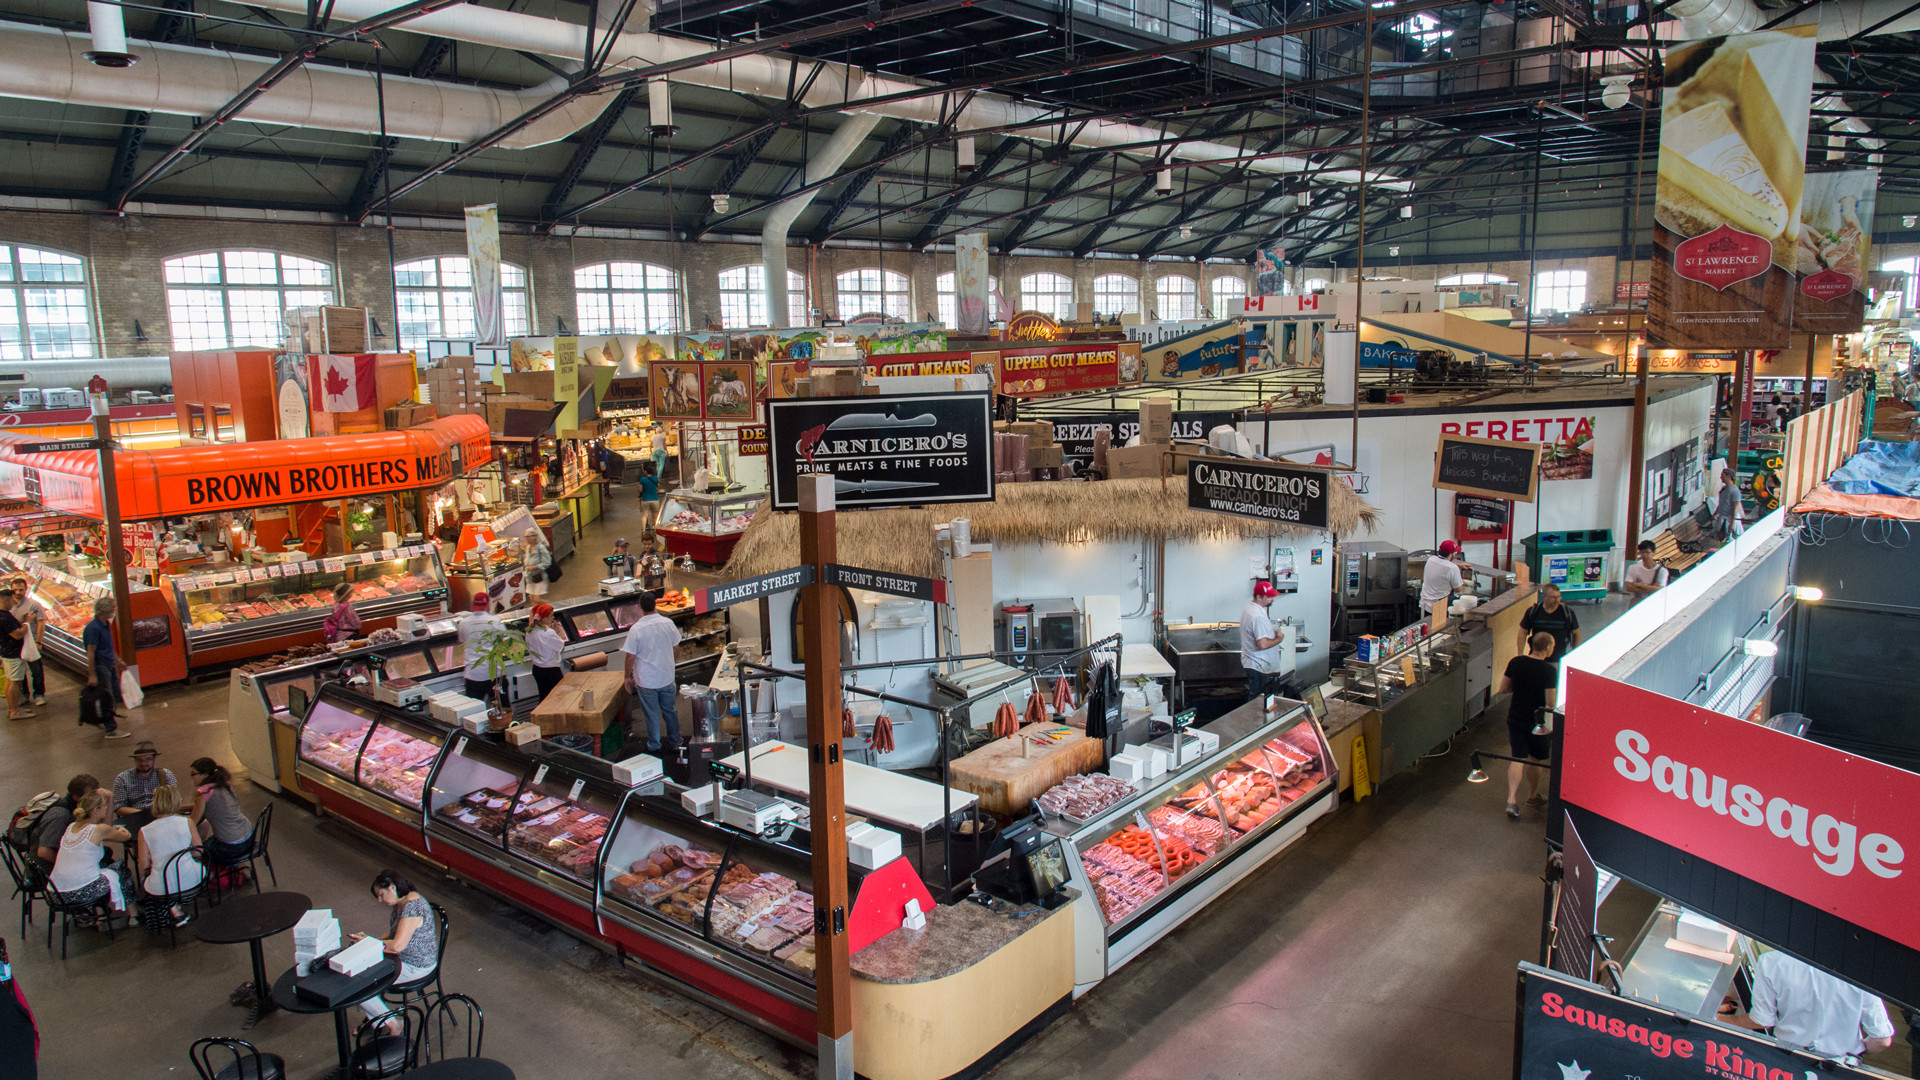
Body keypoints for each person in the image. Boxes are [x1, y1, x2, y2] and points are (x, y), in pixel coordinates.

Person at [1719, 950, 1894, 1060]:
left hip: (1788, 1059)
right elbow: (1882, 1040)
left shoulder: (1772, 962)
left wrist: (1719, 1019)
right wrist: (1857, 1051)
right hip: (1841, 1062)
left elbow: (1762, 1021)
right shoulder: (1861, 971)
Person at [347, 870, 440, 1033]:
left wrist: (370, 945)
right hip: (404, 959)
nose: (379, 900)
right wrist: (369, 941)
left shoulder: (412, 908)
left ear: (391, 887)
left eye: (381, 895)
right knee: (358, 971)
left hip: (415, 965)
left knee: (357, 983)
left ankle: (392, 1023)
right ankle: (377, 1019)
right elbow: (392, 935)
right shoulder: (402, 903)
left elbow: (397, 945)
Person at [1498, 632, 1558, 820]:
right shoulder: (1549, 671)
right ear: (1547, 647)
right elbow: (1550, 702)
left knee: (1518, 757)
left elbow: (1503, 688)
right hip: (1537, 722)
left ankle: (1512, 799)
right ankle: (1532, 796)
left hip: (1515, 716)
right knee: (1535, 759)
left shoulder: (1516, 662)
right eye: (1553, 646)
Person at [48, 790, 128, 919]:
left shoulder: (71, 826)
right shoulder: (99, 830)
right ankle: (134, 915)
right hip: (81, 892)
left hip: (56, 894)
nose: (107, 807)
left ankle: (100, 914)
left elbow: (104, 828)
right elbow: (125, 836)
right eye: (104, 806)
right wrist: (121, 829)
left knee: (102, 863)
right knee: (120, 868)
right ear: (96, 810)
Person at [620, 591, 682, 754]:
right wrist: (671, 663)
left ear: (640, 607)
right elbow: (676, 646)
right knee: (670, 711)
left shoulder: (636, 629)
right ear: (655, 604)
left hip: (646, 681)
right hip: (667, 677)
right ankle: (676, 741)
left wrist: (627, 676)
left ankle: (655, 745)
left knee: (651, 714)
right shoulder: (667, 623)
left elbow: (630, 657)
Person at [136, 784, 201, 927]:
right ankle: (175, 910)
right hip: (193, 882)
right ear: (177, 800)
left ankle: (172, 910)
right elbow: (198, 851)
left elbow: (144, 865)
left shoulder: (144, 831)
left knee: (152, 881)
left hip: (162, 889)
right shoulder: (187, 822)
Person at [187, 758, 253, 865]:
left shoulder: (203, 792)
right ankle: (240, 866)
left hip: (231, 847)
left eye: (193, 774)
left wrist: (175, 817)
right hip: (248, 837)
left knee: (197, 851)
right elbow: (208, 806)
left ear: (204, 775)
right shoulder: (223, 783)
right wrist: (179, 807)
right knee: (209, 841)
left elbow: (192, 822)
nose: (191, 777)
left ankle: (205, 875)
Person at [31, 774, 100, 872]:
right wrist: (71, 865)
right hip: (47, 870)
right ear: (76, 797)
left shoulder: (78, 809)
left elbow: (103, 830)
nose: (95, 799)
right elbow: (44, 852)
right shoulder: (60, 815)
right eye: (90, 795)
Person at [83, 596, 129, 739]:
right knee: (106, 697)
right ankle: (111, 729)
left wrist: (118, 660)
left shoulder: (106, 624)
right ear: (106, 610)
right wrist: (92, 674)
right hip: (101, 666)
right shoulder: (93, 628)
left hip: (109, 664)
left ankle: (103, 719)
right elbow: (91, 651)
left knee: (114, 694)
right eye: (113, 608)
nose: (114, 611)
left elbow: (109, 646)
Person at [1239, 581, 1293, 701]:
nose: (1272, 599)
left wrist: (1272, 633)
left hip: (1257, 665)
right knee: (1259, 703)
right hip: (1259, 666)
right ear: (1259, 597)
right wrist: (1279, 639)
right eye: (1269, 597)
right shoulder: (1257, 616)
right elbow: (1262, 644)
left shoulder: (1250, 609)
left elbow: (1259, 633)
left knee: (1259, 701)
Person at [111, 741, 176, 833]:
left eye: (148, 759)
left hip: (161, 818)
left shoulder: (166, 775)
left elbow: (173, 802)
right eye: (139, 760)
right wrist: (143, 815)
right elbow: (119, 808)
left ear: (155, 758)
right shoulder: (122, 778)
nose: (143, 763)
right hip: (135, 818)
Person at [458, 594, 507, 702]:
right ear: (488, 605)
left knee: (473, 711)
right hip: (494, 673)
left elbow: (462, 640)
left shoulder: (463, 623)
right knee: (502, 711)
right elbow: (503, 642)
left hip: (473, 674)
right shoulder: (495, 621)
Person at [1519, 584, 1581, 663]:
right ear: (1544, 596)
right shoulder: (1533, 612)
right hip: (1536, 658)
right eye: (1554, 597)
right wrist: (1520, 653)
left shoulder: (1567, 613)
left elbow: (1576, 633)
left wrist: (1574, 654)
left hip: (1558, 659)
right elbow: (1522, 631)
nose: (1557, 600)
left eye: (1559, 596)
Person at [9, 577, 45, 706]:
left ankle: (39, 694)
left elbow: (41, 623)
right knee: (20, 672)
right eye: (15, 590)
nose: (18, 592)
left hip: (31, 642)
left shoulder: (33, 605)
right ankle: (24, 694)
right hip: (16, 643)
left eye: (21, 589)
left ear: (26, 589)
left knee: (36, 670)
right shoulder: (9, 606)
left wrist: (38, 642)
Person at [0, 588, 32, 721]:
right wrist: (27, 623)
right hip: (13, 653)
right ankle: (14, 711)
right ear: (5, 600)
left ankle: (13, 708)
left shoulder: (4, 615)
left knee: (10, 681)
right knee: (15, 682)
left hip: (7, 652)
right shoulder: (4, 616)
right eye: (12, 600)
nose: (14, 603)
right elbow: (17, 635)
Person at [1419, 540, 1471, 619]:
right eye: (1455, 553)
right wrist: (1463, 583)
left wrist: (1460, 565)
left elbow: (1443, 563)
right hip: (1440, 605)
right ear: (1451, 554)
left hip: (1426, 603)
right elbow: (1458, 589)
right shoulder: (1453, 568)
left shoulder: (1431, 559)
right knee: (1439, 628)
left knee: (1428, 625)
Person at [525, 604, 566, 700]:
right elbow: (561, 647)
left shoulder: (530, 631)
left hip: (537, 669)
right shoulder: (548, 633)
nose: (553, 617)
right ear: (544, 618)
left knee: (544, 697)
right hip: (551, 670)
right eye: (551, 615)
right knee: (558, 698)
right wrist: (557, 633)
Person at [1714, 467, 1745, 542]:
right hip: (1723, 519)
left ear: (1728, 476)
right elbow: (1722, 502)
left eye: (1722, 475)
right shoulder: (1724, 489)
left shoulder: (1734, 491)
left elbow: (1736, 506)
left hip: (1729, 519)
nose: (1721, 477)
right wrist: (1716, 513)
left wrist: (1733, 522)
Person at [637, 460, 662, 538]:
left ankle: (643, 531)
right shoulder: (656, 478)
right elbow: (657, 487)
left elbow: (640, 490)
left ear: (645, 471)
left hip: (645, 499)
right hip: (655, 499)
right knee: (655, 516)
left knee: (644, 516)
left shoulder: (642, 480)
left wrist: (639, 496)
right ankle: (655, 529)